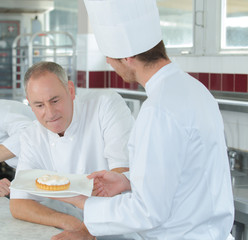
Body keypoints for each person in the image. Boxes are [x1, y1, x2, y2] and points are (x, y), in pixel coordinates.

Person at [51, 0, 235, 239]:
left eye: (110, 56)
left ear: (127, 57)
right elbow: (180, 173)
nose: (108, 62)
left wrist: (82, 202)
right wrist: (126, 181)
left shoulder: (158, 110)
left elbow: (147, 212)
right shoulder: (194, 89)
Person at [9, 61, 135, 238]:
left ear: (71, 90)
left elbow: (122, 175)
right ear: (29, 104)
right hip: (74, 228)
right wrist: (71, 223)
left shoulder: (105, 105)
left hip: (121, 229)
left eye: (55, 100)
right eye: (39, 105)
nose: (50, 113)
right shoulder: (32, 136)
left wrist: (87, 229)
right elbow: (18, 203)